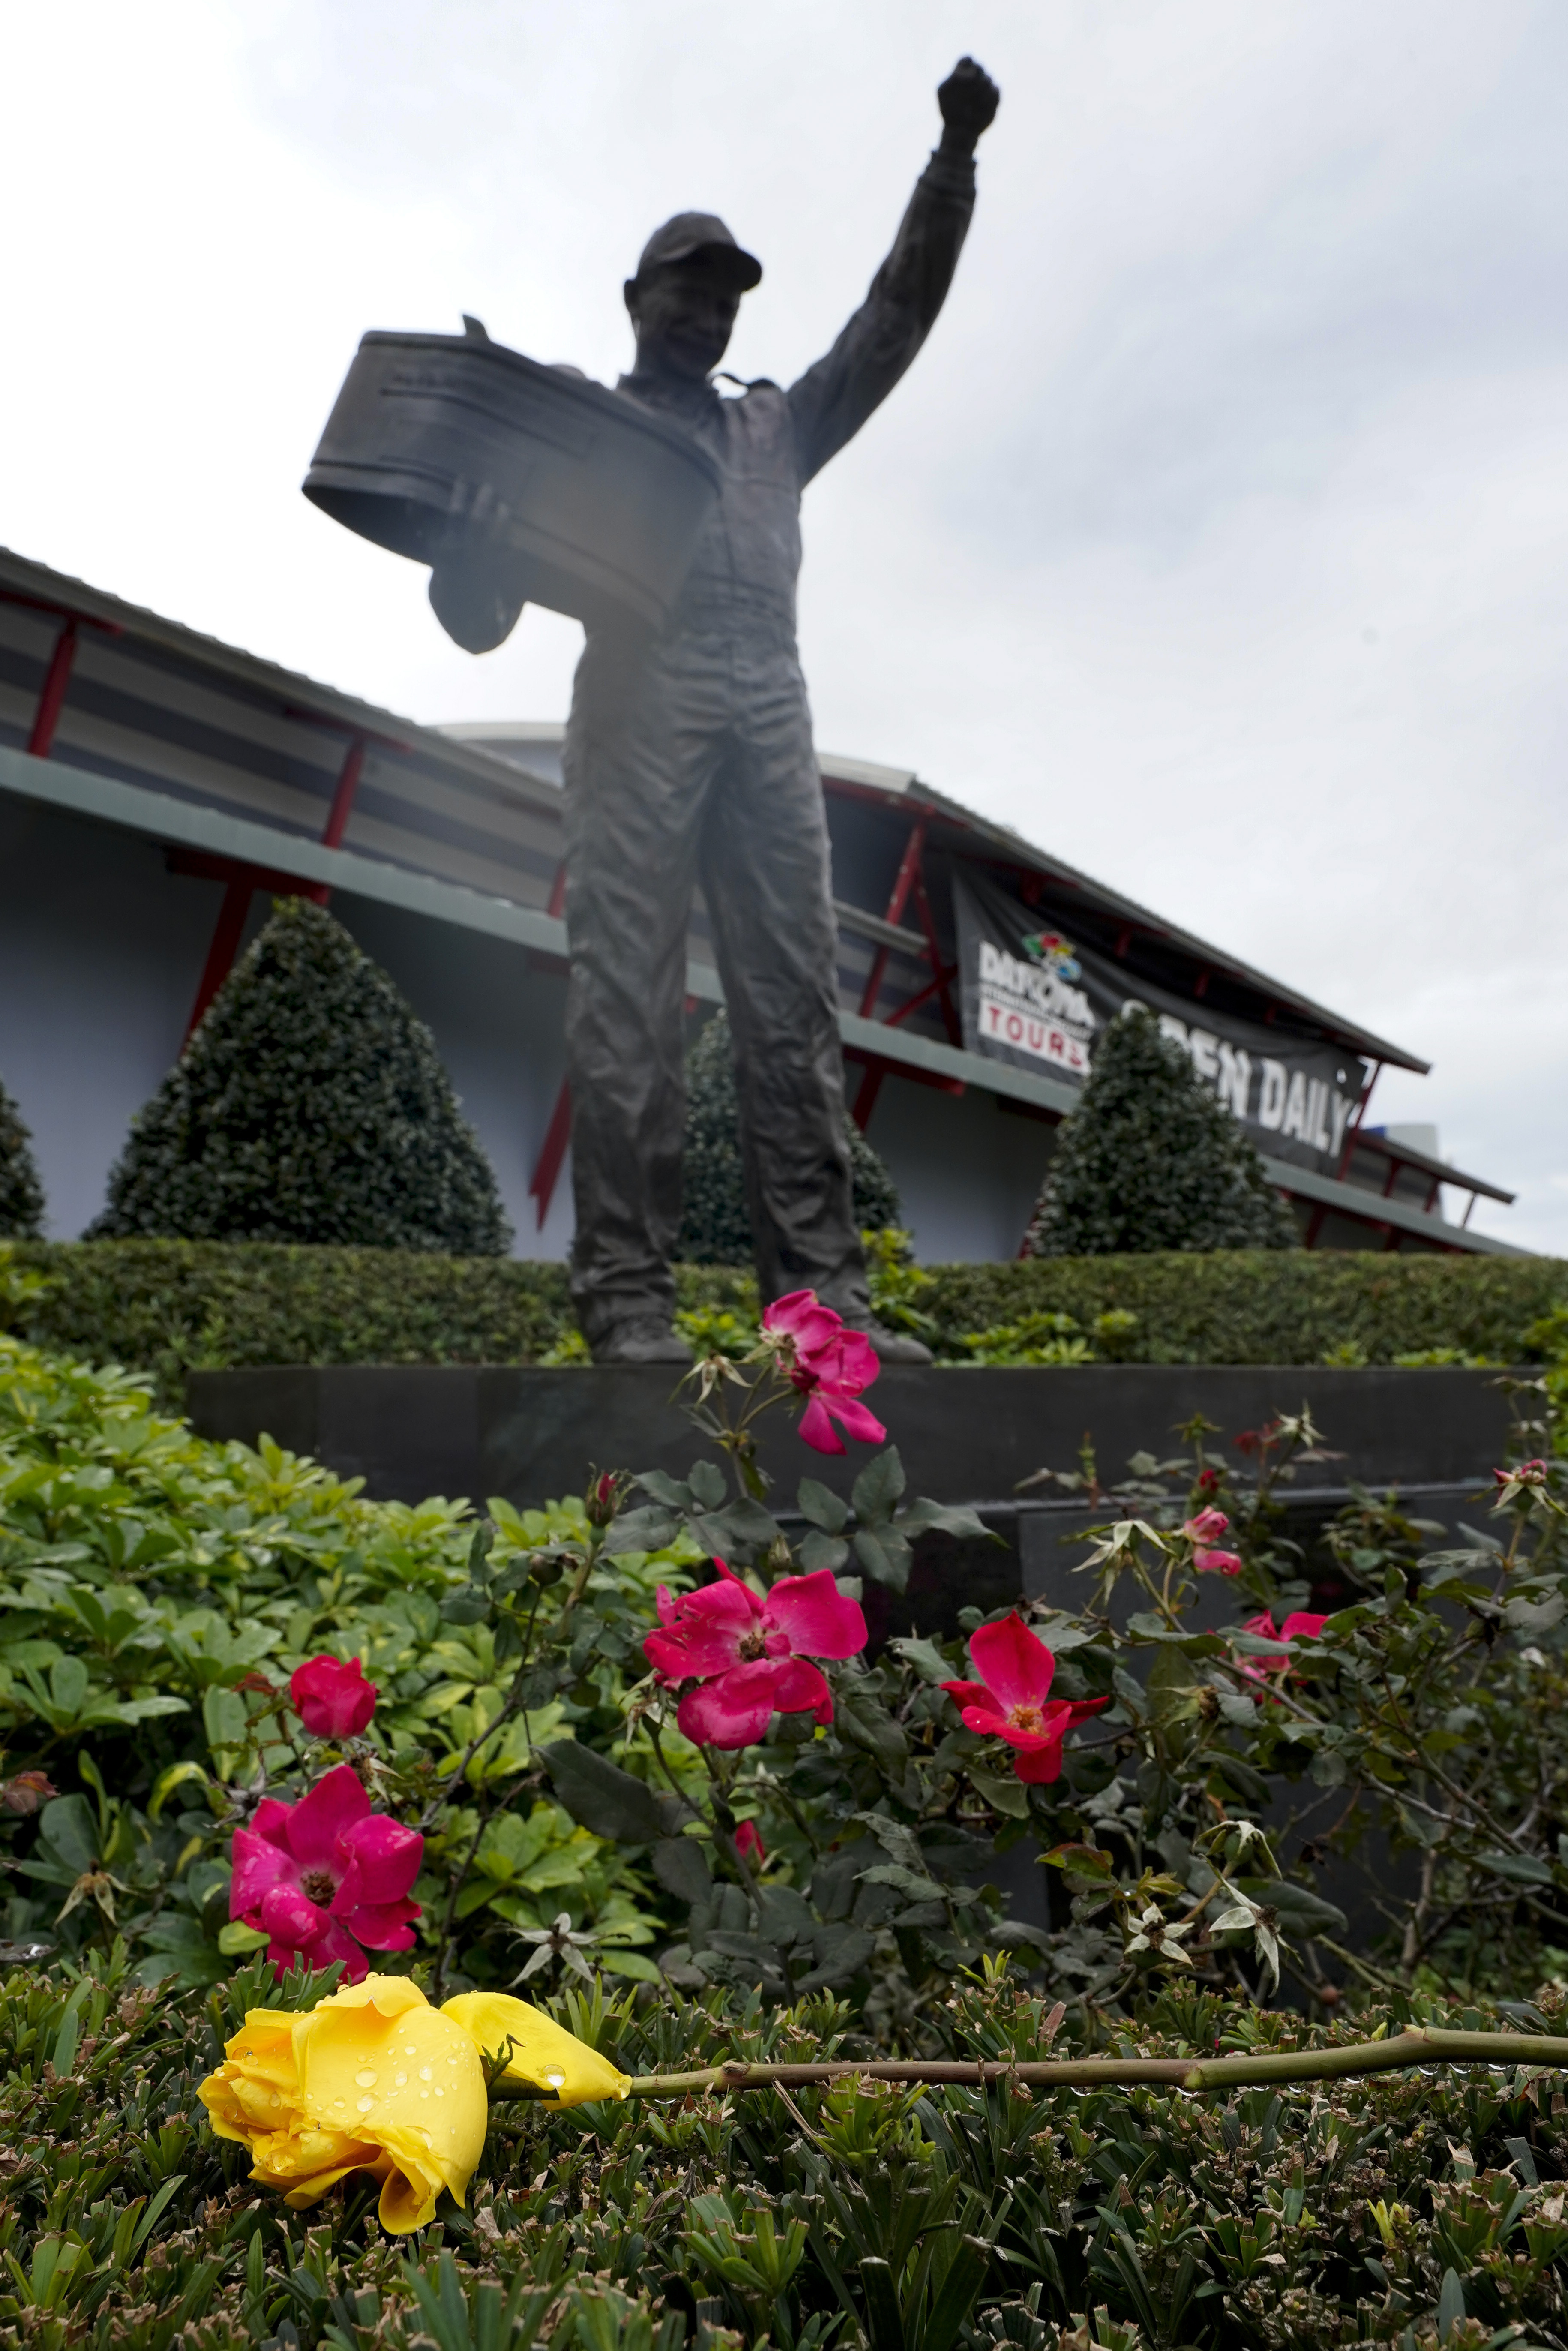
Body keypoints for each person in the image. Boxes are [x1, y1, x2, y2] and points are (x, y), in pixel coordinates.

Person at [565, 57, 1001, 1364]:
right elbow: (479, 603)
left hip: (771, 694)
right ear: (635, 299)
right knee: (624, 997)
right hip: (644, 689)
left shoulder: (776, 428)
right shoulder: (588, 429)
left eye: (723, 291)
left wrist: (951, 162)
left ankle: (820, 1311)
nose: (704, 307)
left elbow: (890, 321)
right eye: (684, 284)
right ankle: (626, 1295)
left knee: (795, 1008)